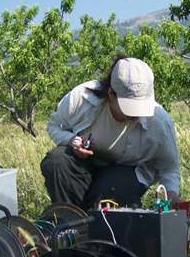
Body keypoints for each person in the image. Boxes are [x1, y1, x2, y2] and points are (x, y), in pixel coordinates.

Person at [41, 55, 180, 210]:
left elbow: (169, 167)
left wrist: (171, 193)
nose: (135, 115)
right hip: (84, 166)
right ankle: (69, 219)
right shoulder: (82, 98)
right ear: (111, 94)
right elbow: (53, 126)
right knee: (57, 162)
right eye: (130, 108)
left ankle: (101, 224)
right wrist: (72, 140)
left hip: (126, 172)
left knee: (108, 193)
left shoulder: (160, 122)